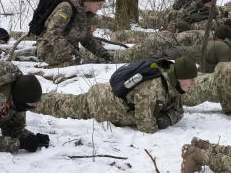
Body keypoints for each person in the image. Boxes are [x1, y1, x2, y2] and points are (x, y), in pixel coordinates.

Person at [34, 56, 196, 133]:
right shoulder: (154, 89)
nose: (192, 84)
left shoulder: (173, 86)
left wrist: (167, 118)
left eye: (194, 80)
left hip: (107, 98)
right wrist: (162, 122)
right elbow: (146, 126)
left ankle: (33, 98)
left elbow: (178, 111)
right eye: (189, 80)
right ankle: (31, 100)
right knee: (62, 106)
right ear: (179, 77)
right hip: (100, 105)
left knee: (66, 101)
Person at [35, 0, 111, 67]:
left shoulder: (87, 14)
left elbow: (87, 39)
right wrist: (72, 52)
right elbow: (52, 33)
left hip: (69, 51)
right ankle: (44, 71)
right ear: (90, 1)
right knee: (76, 65)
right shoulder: (66, 8)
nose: (100, 7)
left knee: (83, 64)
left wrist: (104, 54)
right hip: (48, 48)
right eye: (99, 4)